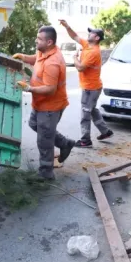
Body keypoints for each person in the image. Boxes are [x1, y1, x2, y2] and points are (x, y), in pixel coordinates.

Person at [13, 26, 76, 179]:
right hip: (40, 103)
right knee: (34, 125)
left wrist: (29, 88)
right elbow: (36, 58)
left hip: (50, 107)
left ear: (49, 42)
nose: (36, 40)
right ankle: (65, 143)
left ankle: (46, 173)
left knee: (44, 140)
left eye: (39, 39)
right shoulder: (44, 51)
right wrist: (23, 57)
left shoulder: (53, 62)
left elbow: (50, 89)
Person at [58, 19, 114, 147]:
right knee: (92, 110)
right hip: (93, 87)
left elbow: (80, 67)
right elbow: (75, 36)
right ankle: (105, 131)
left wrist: (74, 58)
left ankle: (85, 140)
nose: (89, 34)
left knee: (85, 113)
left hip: (90, 89)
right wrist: (67, 26)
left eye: (91, 33)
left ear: (97, 38)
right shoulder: (87, 45)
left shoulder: (93, 52)